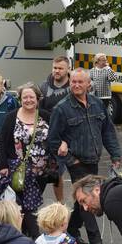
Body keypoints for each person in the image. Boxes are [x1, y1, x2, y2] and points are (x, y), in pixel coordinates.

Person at [47, 67, 121, 244]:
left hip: (93, 159)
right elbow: (52, 139)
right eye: (73, 81)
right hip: (76, 162)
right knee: (88, 197)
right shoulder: (62, 108)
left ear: (89, 84)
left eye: (81, 82)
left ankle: (71, 229)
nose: (76, 85)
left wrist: (115, 154)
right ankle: (96, 239)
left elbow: (108, 131)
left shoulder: (97, 104)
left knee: (82, 199)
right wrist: (71, 160)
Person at [0, 83, 50, 236]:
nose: (28, 100)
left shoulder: (46, 115)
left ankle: (24, 234)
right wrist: (2, 165)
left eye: (31, 97)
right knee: (26, 205)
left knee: (31, 204)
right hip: (18, 170)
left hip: (41, 171)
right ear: (20, 99)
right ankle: (33, 237)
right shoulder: (11, 117)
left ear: (38, 99)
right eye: (24, 97)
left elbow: (56, 136)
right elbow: (3, 142)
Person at [39, 55, 72, 204]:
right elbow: (38, 112)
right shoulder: (44, 87)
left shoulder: (74, 86)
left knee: (76, 174)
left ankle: (78, 208)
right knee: (53, 172)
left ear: (68, 69)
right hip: (49, 137)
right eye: (55, 68)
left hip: (72, 136)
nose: (57, 71)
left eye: (60, 68)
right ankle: (60, 204)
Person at [88, 54, 116, 121]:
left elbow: (112, 78)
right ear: (98, 61)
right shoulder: (92, 71)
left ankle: (104, 125)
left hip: (105, 96)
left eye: (105, 60)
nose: (105, 62)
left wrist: (109, 68)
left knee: (103, 112)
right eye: (103, 60)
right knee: (96, 111)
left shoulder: (107, 70)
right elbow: (89, 82)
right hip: (95, 95)